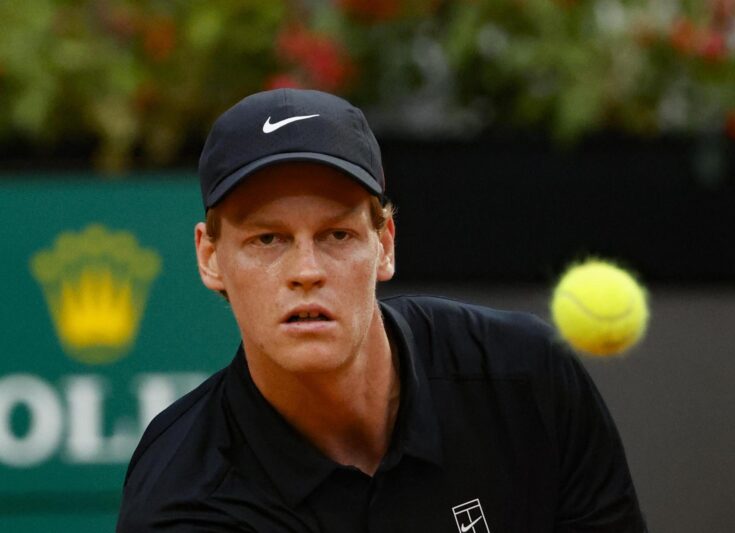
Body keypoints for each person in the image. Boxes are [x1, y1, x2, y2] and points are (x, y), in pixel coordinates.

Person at [117, 89, 647, 532]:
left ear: (385, 244)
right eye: (268, 238)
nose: (306, 269)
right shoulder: (184, 500)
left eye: (338, 234)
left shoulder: (525, 379)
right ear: (210, 258)